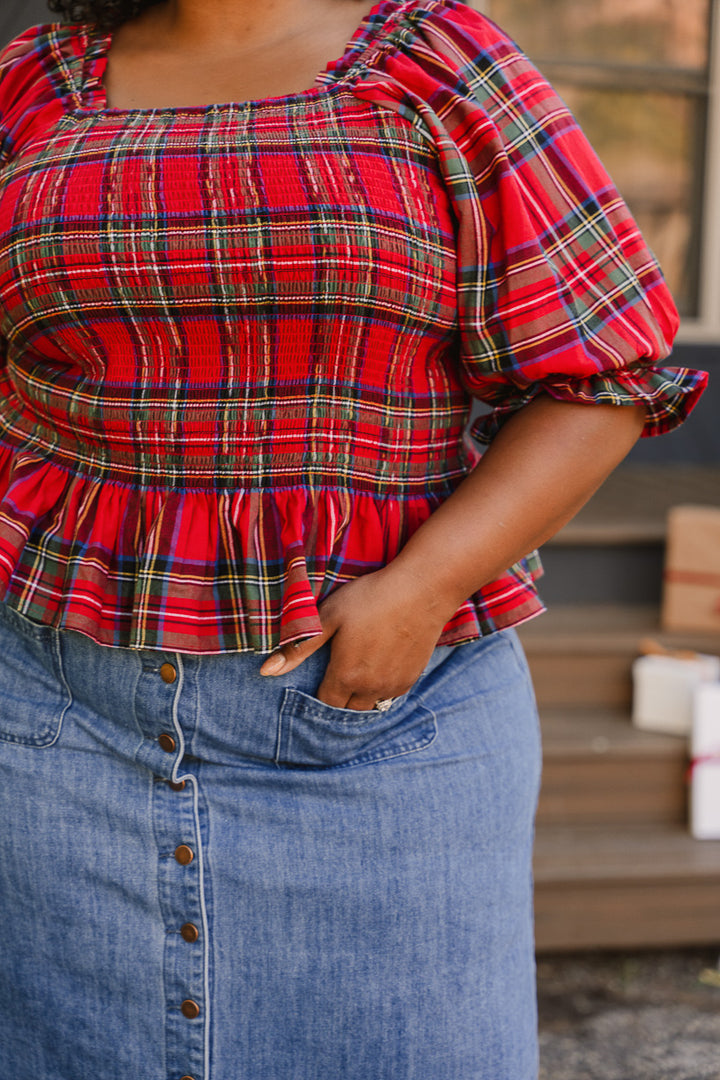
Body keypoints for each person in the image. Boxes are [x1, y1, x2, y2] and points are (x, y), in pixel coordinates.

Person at [0, 1, 706, 1077]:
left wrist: (424, 587)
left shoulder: (437, 59)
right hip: (50, 728)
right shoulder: (31, 82)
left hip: (373, 727)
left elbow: (602, 379)